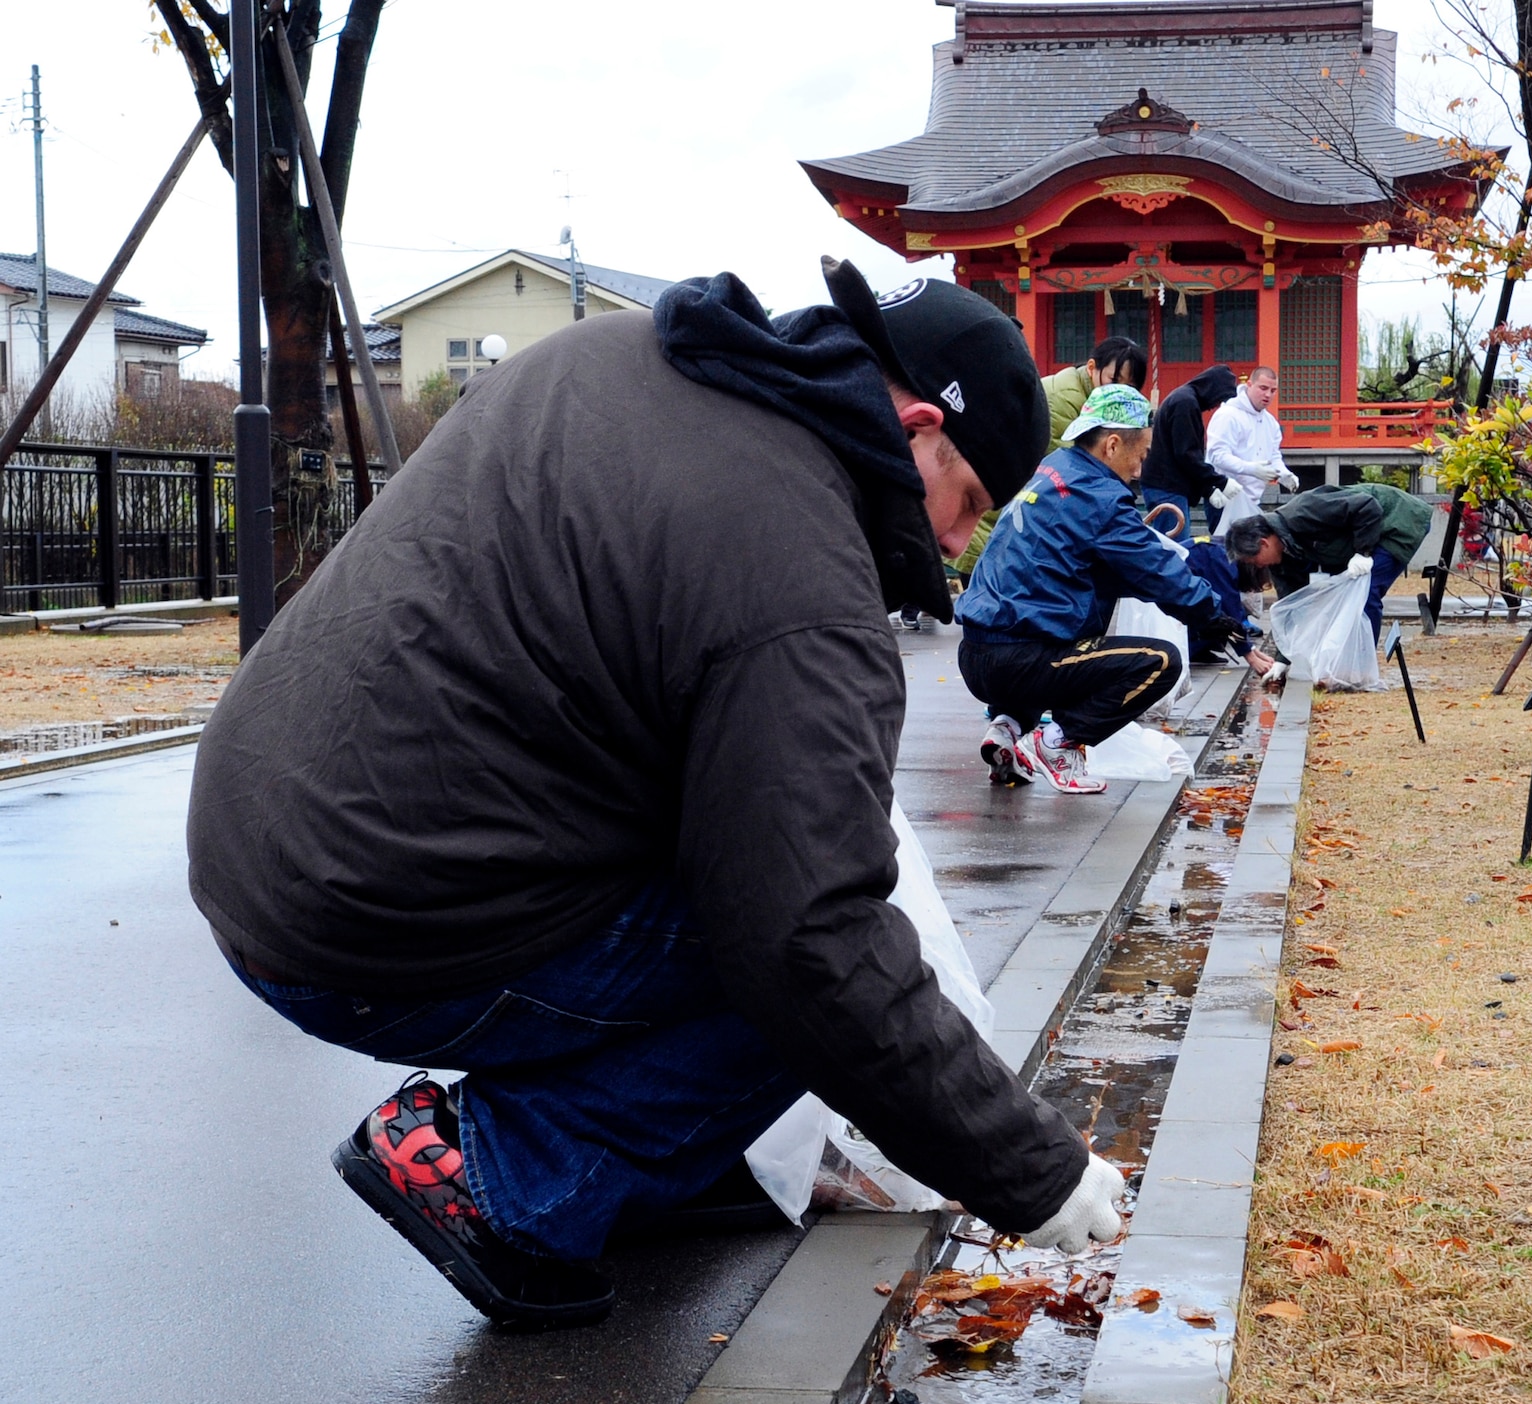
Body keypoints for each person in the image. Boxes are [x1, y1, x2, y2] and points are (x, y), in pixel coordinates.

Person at [185, 258, 1131, 1331]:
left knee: (770, 879)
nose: (956, 545)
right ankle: (503, 1177)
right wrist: (1032, 1171)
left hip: (252, 835)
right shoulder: (798, 562)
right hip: (363, 912)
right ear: (916, 425)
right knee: (802, 954)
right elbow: (806, 938)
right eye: (967, 502)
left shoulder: (617, 354)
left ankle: (626, 1163)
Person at [955, 383, 1244, 794]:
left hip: (977, 655)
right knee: (1158, 661)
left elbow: (1119, 572)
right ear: (1111, 445)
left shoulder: (1053, 468)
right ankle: (1056, 743)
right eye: (1141, 455)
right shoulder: (1100, 497)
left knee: (1052, 630)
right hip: (1022, 660)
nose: (1141, 469)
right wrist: (1210, 615)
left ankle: (1006, 731)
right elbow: (1156, 569)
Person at [946, 337, 1147, 585]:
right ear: (1092, 368)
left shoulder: (1088, 396)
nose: (1121, 392)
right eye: (1114, 381)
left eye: (1131, 387)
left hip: (1010, 499)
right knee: (990, 588)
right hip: (999, 498)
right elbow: (1074, 472)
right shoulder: (1066, 400)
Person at [1224, 478, 1437, 643]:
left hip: (1396, 521)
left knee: (1364, 592)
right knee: (1341, 597)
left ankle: (1361, 666)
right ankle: (1343, 660)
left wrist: (1363, 553)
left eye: (1254, 560)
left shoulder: (1305, 510)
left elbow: (1367, 507)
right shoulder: (1281, 561)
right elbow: (1291, 605)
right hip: (1362, 537)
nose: (1258, 566)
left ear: (1264, 543)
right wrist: (1283, 661)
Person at [1137, 363, 1239, 533]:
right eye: (1219, 398)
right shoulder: (1185, 403)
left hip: (1167, 484)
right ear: (1212, 388)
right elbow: (1186, 454)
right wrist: (1219, 482)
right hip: (1166, 486)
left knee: (1175, 542)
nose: (1215, 405)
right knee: (1175, 547)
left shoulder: (1184, 399)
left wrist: (1208, 488)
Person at [1202, 365, 1297, 532]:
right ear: (1249, 386)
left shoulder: (1270, 423)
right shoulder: (1228, 415)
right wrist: (1251, 469)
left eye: (1273, 390)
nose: (1268, 394)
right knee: (1225, 551)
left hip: (1252, 499)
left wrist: (1284, 474)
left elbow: (1273, 456)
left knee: (1250, 553)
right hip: (1225, 496)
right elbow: (1217, 455)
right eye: (1263, 388)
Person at [1182, 535, 1276, 674]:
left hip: (1184, 600)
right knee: (1218, 619)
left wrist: (1253, 649)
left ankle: (1198, 650)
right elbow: (1228, 609)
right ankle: (1192, 648)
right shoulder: (1220, 558)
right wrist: (1251, 658)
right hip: (1171, 609)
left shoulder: (1225, 551)